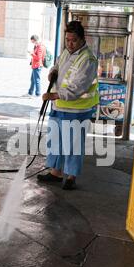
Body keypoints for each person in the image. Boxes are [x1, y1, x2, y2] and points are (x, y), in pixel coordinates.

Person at [36, 21, 99, 190]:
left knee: (73, 144)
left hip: (78, 110)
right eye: (67, 40)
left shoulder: (88, 59)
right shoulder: (66, 52)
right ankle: (56, 172)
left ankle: (71, 176)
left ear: (82, 39)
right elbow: (57, 65)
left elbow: (78, 87)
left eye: (73, 41)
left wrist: (53, 95)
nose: (70, 44)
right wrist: (52, 73)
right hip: (59, 107)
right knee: (55, 140)